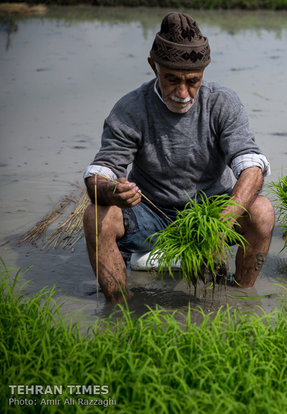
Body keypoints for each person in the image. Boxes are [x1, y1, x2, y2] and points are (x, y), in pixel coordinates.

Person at [82, 12, 274, 303]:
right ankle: (118, 308)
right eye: (172, 79)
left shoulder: (222, 103)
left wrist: (222, 224)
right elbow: (98, 175)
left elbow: (252, 169)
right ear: (153, 66)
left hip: (212, 211)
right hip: (151, 213)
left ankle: (242, 297)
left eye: (193, 81)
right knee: (95, 215)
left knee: (262, 212)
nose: (183, 92)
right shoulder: (131, 109)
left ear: (203, 74)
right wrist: (113, 193)